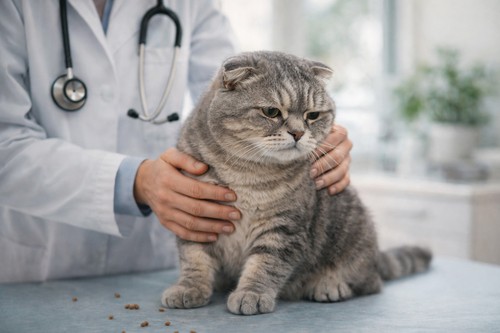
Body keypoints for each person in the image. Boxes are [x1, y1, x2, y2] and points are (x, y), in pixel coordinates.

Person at [0, 0, 352, 283]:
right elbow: (5, 144)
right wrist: (135, 181)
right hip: (40, 261)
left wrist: (320, 138)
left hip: (154, 262)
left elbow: (232, 84)